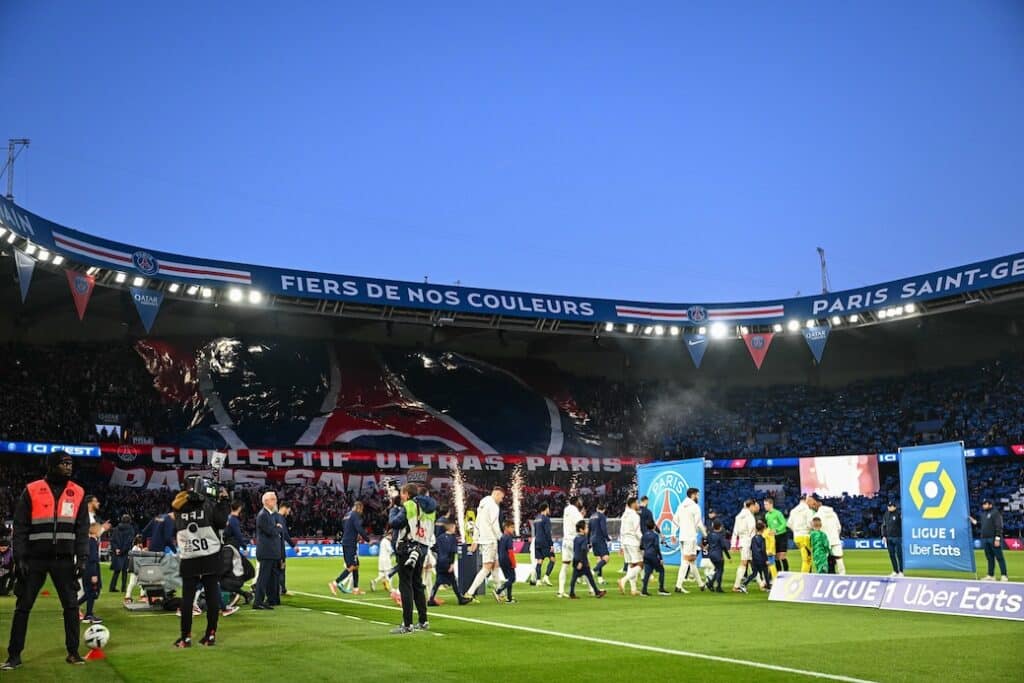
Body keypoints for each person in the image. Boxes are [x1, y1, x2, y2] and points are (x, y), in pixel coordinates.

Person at [3, 451, 90, 670]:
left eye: (70, 463)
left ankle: (73, 653)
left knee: (71, 607)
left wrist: (82, 558)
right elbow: (20, 527)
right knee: (23, 607)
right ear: (51, 466)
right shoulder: (32, 490)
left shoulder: (78, 492)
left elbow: (82, 530)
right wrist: (20, 557)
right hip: (35, 560)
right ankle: (14, 656)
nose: (69, 466)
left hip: (64, 560)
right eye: (63, 463)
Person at [172, 474, 231, 647]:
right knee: (212, 597)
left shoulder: (178, 506)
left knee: (187, 599)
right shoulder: (209, 504)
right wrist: (224, 501)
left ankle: (185, 637)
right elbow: (222, 522)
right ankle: (210, 635)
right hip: (210, 556)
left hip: (189, 556)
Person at [389, 483, 438, 634]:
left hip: (407, 548)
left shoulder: (409, 505)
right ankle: (423, 621)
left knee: (406, 585)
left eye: (402, 494)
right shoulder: (429, 507)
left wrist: (393, 510)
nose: (401, 497)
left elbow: (395, 523)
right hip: (422, 548)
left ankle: (407, 624)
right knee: (418, 584)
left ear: (407, 494)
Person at [466, 487, 505, 598]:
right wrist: (501, 537)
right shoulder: (494, 506)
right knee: (487, 568)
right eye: (501, 497)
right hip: (490, 540)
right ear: (497, 494)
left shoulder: (483, 502)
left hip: (484, 539)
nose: (501, 500)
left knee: (495, 565)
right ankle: (470, 592)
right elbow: (494, 524)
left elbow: (477, 522)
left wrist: (475, 539)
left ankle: (500, 592)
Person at [672, 487, 707, 593]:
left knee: (692, 561)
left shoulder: (681, 506)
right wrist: (705, 535)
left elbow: (675, 520)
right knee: (686, 561)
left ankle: (701, 584)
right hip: (690, 537)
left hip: (682, 537)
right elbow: (698, 523)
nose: (698, 497)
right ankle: (678, 586)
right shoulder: (695, 507)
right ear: (693, 495)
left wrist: (673, 534)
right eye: (697, 495)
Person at [428, 521, 471, 606]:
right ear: (451, 528)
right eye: (454, 527)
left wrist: (439, 555)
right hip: (447, 562)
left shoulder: (440, 537)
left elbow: (434, 548)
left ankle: (431, 599)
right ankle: (460, 599)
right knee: (453, 581)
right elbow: (452, 551)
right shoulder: (453, 538)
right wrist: (451, 564)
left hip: (440, 562)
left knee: (437, 582)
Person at [252, 491, 282, 610]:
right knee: (263, 578)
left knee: (271, 579)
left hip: (271, 552)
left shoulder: (269, 515)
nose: (276, 501)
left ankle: (271, 599)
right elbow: (271, 531)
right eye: (273, 499)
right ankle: (258, 602)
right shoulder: (263, 515)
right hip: (266, 552)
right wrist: (278, 528)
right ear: (266, 501)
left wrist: (276, 528)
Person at [971, 499, 1009, 581]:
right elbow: (982, 524)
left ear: (990, 505)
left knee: (999, 557)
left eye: (985, 504)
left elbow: (999, 526)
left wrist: (997, 538)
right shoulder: (983, 514)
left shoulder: (995, 513)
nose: (983, 505)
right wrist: (975, 522)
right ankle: (991, 575)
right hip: (985, 538)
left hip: (993, 538)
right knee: (989, 558)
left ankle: (1004, 575)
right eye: (983, 504)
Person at [806, 495, 844, 575]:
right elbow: (839, 527)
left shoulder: (817, 516)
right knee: (839, 559)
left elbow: (812, 527)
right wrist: (835, 535)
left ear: (816, 503)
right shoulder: (833, 513)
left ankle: (827, 578)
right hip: (835, 539)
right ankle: (843, 576)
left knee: (825, 562)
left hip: (824, 542)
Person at [569, 520, 606, 599]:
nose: (587, 529)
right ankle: (597, 592)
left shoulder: (576, 538)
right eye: (586, 528)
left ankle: (572, 593)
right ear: (581, 529)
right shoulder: (584, 538)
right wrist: (582, 562)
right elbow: (583, 550)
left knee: (575, 577)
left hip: (576, 559)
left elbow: (576, 549)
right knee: (589, 577)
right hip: (582, 561)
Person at [558, 496, 585, 598]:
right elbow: (581, 525)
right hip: (574, 540)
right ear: (576, 502)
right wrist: (582, 516)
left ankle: (560, 591)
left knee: (565, 565)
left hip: (566, 540)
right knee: (584, 563)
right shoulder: (575, 512)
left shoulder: (566, 509)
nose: (581, 502)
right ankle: (592, 590)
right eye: (580, 501)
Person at [77, 523, 103, 624]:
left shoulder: (89, 541)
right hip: (90, 571)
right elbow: (92, 559)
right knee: (91, 593)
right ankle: (85, 613)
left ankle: (87, 613)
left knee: (89, 593)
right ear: (96, 531)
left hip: (87, 570)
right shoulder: (92, 542)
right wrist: (94, 574)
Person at [732, 499, 759, 592]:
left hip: (741, 541)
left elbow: (735, 531)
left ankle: (762, 584)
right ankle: (736, 586)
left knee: (752, 562)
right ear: (751, 506)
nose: (754, 508)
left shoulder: (738, 516)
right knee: (744, 563)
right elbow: (752, 531)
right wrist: (755, 543)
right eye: (754, 506)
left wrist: (733, 544)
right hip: (748, 541)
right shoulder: (749, 516)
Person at [618, 496, 642, 596]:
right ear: (633, 504)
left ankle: (633, 589)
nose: (638, 504)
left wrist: (622, 545)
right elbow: (637, 531)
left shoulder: (624, 515)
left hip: (625, 542)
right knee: (641, 564)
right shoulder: (635, 516)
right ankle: (624, 580)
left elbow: (621, 530)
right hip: (633, 542)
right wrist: (644, 540)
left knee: (631, 565)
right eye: (637, 503)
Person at [529, 503, 555, 587]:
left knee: (539, 561)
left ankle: (538, 580)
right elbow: (547, 532)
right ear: (546, 508)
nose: (549, 510)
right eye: (548, 508)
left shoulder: (536, 519)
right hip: (545, 542)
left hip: (537, 541)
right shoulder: (546, 519)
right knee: (552, 559)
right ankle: (546, 577)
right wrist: (551, 544)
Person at [741, 521, 771, 592]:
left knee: (754, 573)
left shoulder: (753, 538)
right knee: (766, 573)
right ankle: (768, 587)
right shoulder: (762, 539)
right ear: (763, 529)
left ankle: (744, 584)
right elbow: (763, 550)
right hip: (761, 559)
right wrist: (766, 560)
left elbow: (751, 548)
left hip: (754, 559)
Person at [641, 520, 669, 596]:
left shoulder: (644, 535)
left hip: (646, 555)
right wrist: (661, 558)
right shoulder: (655, 535)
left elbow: (641, 546)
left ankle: (644, 590)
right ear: (654, 526)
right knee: (661, 570)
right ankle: (661, 589)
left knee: (647, 573)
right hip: (653, 555)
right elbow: (656, 547)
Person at [108, 514, 135, 593]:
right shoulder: (131, 529)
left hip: (117, 552)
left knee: (116, 571)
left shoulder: (116, 529)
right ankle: (123, 588)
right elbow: (129, 542)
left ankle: (112, 587)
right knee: (124, 571)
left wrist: (116, 549)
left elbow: (113, 540)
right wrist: (122, 550)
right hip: (125, 552)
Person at [276, 502, 297, 598]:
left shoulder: (275, 517)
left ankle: (279, 589)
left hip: (276, 548)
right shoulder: (280, 518)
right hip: (279, 549)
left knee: (277, 570)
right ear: (285, 508)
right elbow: (285, 534)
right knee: (281, 569)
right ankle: (282, 590)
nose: (289, 512)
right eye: (289, 510)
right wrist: (293, 546)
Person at [787, 494, 813, 573]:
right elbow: (809, 524)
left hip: (797, 537)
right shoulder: (808, 510)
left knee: (807, 558)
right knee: (807, 560)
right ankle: (804, 577)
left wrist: (796, 531)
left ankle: (809, 575)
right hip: (805, 536)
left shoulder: (793, 510)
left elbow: (789, 524)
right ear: (806, 500)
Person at [763, 497, 789, 573]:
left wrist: (776, 530)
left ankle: (786, 572)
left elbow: (784, 524)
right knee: (776, 557)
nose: (765, 506)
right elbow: (769, 527)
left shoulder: (778, 513)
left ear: (771, 504)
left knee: (782, 556)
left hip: (781, 536)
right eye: (764, 504)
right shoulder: (767, 515)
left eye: (766, 504)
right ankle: (779, 573)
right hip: (773, 537)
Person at [495, 520, 517, 604]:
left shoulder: (502, 537)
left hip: (502, 560)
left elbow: (499, 550)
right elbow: (510, 552)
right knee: (512, 579)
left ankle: (509, 598)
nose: (513, 529)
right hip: (507, 560)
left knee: (509, 579)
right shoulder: (508, 538)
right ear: (506, 528)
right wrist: (513, 562)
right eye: (512, 527)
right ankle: (498, 590)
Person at [705, 521, 731, 593]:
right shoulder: (720, 536)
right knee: (720, 570)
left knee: (718, 569)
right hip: (718, 555)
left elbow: (707, 543)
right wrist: (728, 557)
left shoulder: (710, 534)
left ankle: (710, 584)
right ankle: (718, 587)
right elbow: (723, 547)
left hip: (711, 554)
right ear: (720, 527)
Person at [589, 502, 611, 585]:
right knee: (606, 558)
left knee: (599, 559)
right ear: (604, 510)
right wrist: (608, 538)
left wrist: (588, 541)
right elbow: (603, 528)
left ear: (597, 508)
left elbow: (589, 530)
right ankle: (593, 571)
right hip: (600, 539)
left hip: (593, 539)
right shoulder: (602, 516)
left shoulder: (592, 516)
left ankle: (600, 579)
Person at [881, 501, 903, 577]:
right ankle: (895, 571)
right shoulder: (886, 514)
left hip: (897, 537)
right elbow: (884, 526)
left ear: (895, 507)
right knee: (891, 555)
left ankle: (901, 571)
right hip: (889, 538)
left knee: (899, 555)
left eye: (891, 506)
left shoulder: (899, 514)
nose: (889, 507)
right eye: (888, 506)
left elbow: (903, 524)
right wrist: (884, 536)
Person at [123, 534, 146, 605]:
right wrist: (143, 551)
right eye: (141, 543)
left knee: (142, 583)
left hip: (137, 568)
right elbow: (137, 559)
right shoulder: (136, 548)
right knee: (132, 583)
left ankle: (142, 596)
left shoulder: (136, 548)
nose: (142, 544)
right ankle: (127, 597)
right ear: (139, 543)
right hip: (135, 569)